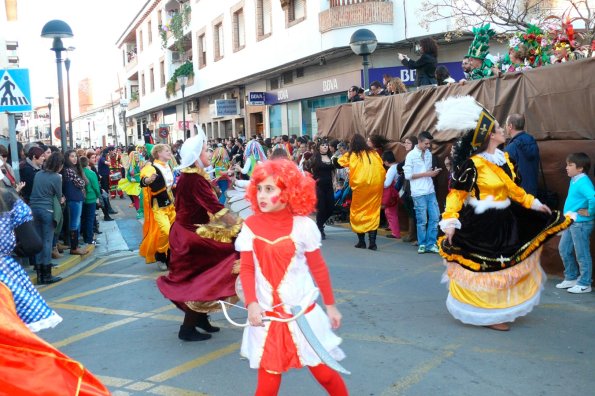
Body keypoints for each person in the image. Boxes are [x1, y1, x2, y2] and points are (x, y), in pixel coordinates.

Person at [435, 96, 571, 331]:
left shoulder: (502, 159)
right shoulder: (473, 165)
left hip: (503, 221)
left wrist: (534, 203)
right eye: (498, 129)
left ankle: (500, 309)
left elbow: (513, 189)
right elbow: (455, 196)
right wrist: (450, 222)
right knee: (487, 270)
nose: (503, 131)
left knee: (506, 267)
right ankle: (486, 314)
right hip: (480, 224)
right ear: (490, 136)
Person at [236, 159, 348, 396]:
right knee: (267, 385)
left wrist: (330, 306)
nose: (261, 196)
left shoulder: (304, 226)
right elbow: (247, 268)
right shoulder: (250, 225)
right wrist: (252, 303)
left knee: (326, 375)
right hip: (268, 318)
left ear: (288, 193)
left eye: (270, 189)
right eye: (259, 189)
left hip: (302, 316)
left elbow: (318, 268)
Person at [157, 130, 241, 341]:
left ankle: (200, 318)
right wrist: (241, 227)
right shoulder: (194, 179)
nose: (209, 153)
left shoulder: (192, 176)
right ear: (196, 156)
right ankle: (188, 328)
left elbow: (206, 197)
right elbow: (216, 208)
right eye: (205, 150)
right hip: (191, 236)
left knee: (205, 273)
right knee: (207, 276)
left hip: (189, 232)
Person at [334, 133, 386, 250]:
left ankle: (361, 241)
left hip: (360, 187)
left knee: (358, 211)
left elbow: (338, 163)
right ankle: (372, 243)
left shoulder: (352, 154)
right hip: (375, 187)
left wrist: (332, 158)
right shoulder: (373, 153)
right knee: (373, 212)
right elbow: (381, 167)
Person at [555, 153, 594, 294]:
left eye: (570, 165)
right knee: (564, 249)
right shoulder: (574, 179)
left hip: (581, 225)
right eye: (567, 164)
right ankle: (571, 277)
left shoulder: (583, 182)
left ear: (580, 168)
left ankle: (585, 283)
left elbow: (593, 197)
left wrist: (590, 212)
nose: (566, 168)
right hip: (571, 222)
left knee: (582, 253)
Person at [29, 152, 65, 284]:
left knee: (39, 241)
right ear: (59, 165)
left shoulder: (38, 174)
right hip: (47, 210)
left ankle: (39, 275)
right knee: (47, 242)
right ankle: (47, 275)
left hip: (34, 209)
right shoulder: (56, 177)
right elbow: (59, 195)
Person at [403, 131, 441, 254]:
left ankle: (431, 243)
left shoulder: (429, 154)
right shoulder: (411, 155)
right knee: (422, 220)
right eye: (426, 143)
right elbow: (408, 175)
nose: (428, 146)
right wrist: (427, 174)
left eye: (429, 144)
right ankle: (422, 243)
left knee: (435, 218)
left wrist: (432, 172)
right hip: (418, 192)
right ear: (419, 142)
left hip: (430, 190)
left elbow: (426, 171)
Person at [139, 144, 176, 269]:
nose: (169, 152)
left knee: (174, 232)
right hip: (159, 206)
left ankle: (170, 257)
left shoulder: (168, 166)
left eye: (170, 150)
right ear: (158, 153)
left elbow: (170, 186)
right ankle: (160, 254)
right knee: (165, 230)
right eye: (166, 151)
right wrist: (148, 181)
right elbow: (143, 180)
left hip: (171, 205)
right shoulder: (152, 167)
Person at [504, 113, 540, 195]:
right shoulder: (533, 142)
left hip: (518, 196)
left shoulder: (510, 148)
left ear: (510, 126)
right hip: (533, 193)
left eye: (506, 125)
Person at [62, 150, 88, 256]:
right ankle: (74, 247)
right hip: (74, 199)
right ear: (67, 158)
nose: (74, 158)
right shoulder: (69, 170)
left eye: (75, 156)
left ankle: (75, 246)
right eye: (72, 156)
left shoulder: (73, 169)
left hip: (76, 198)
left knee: (76, 222)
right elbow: (81, 183)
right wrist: (81, 179)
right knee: (75, 223)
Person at [309, 139, 336, 240]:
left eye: (326, 145)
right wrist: (312, 180)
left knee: (330, 208)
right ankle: (320, 228)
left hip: (329, 186)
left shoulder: (331, 157)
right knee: (322, 208)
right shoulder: (315, 157)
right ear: (319, 147)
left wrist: (335, 182)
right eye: (323, 145)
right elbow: (307, 168)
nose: (325, 147)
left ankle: (318, 224)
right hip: (319, 186)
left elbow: (334, 172)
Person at [397, 136, 418, 244]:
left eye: (408, 143)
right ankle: (411, 233)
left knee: (415, 212)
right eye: (405, 143)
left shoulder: (416, 156)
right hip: (406, 187)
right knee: (410, 211)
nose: (405, 145)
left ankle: (414, 235)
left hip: (413, 188)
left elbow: (401, 167)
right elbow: (400, 168)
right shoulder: (408, 156)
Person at [80, 156, 100, 246]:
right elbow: (96, 187)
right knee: (90, 219)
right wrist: (98, 196)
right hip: (90, 198)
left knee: (83, 218)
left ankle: (84, 237)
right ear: (87, 163)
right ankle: (89, 239)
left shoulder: (78, 172)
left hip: (81, 199)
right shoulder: (91, 173)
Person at [382, 151, 401, 239]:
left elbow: (387, 184)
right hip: (397, 192)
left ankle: (395, 233)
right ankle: (392, 228)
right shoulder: (397, 166)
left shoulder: (391, 169)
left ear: (386, 161)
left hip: (392, 193)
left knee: (390, 212)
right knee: (391, 211)